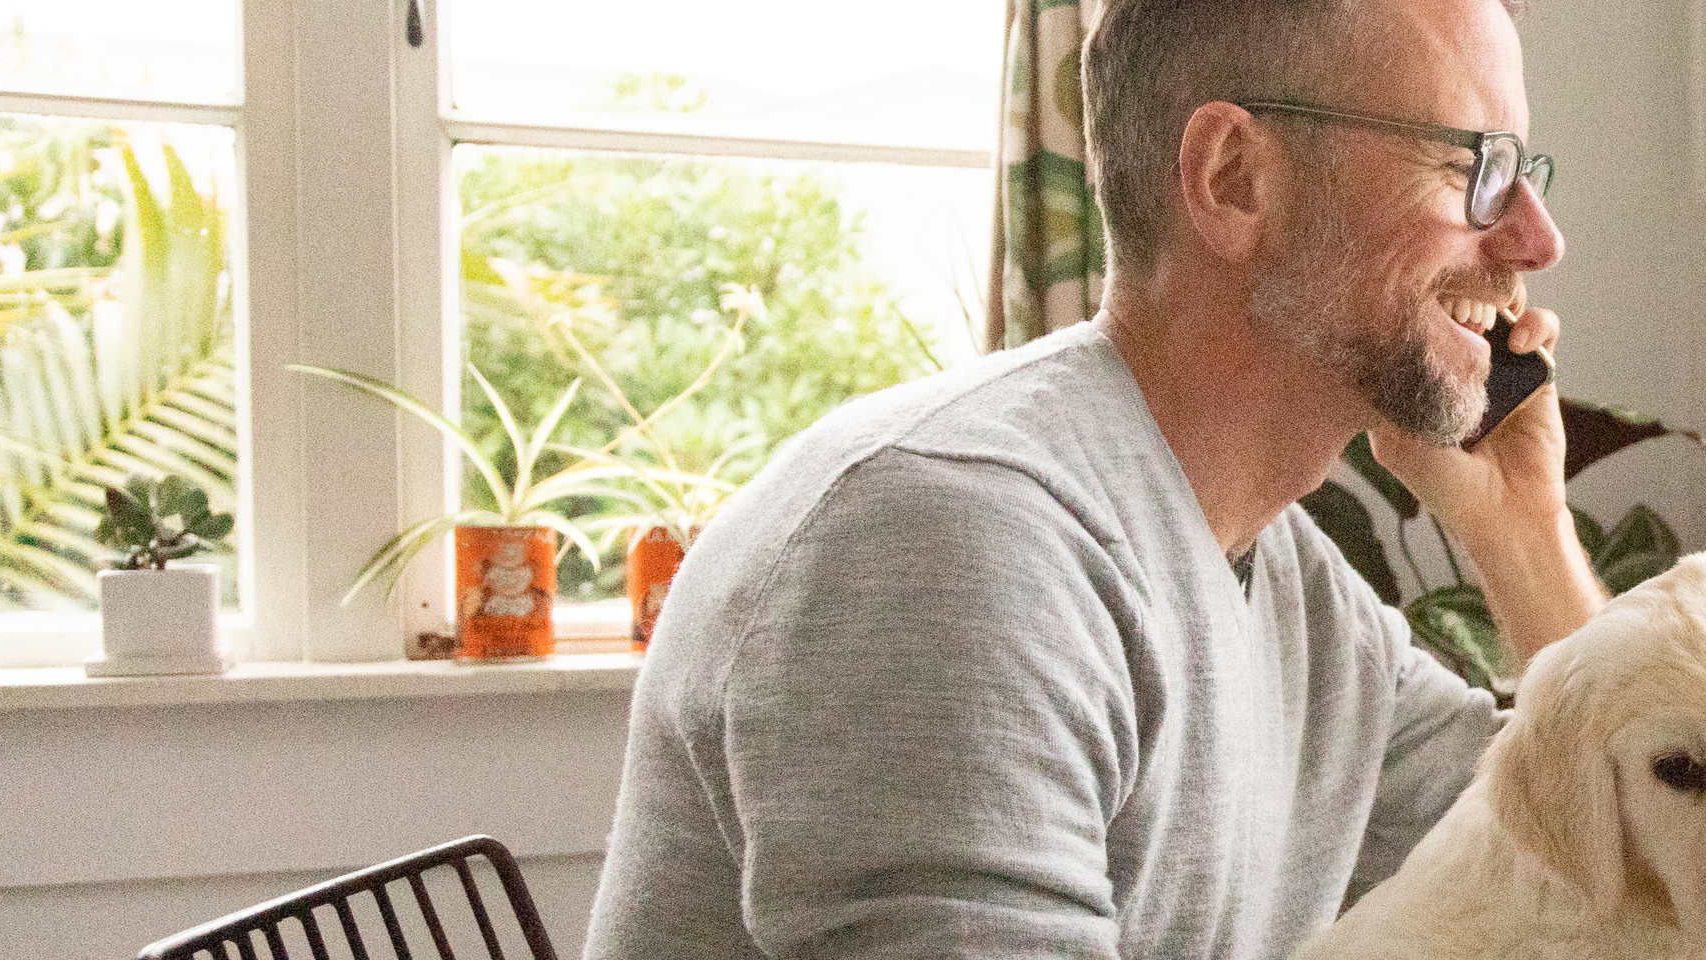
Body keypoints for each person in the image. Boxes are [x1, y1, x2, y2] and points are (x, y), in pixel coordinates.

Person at [581, 0, 1598, 954]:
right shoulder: (952, 544)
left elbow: (1613, 865)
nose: (1536, 240)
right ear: (1236, 178)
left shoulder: (1297, 594)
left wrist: (1524, 530)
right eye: (1477, 166)